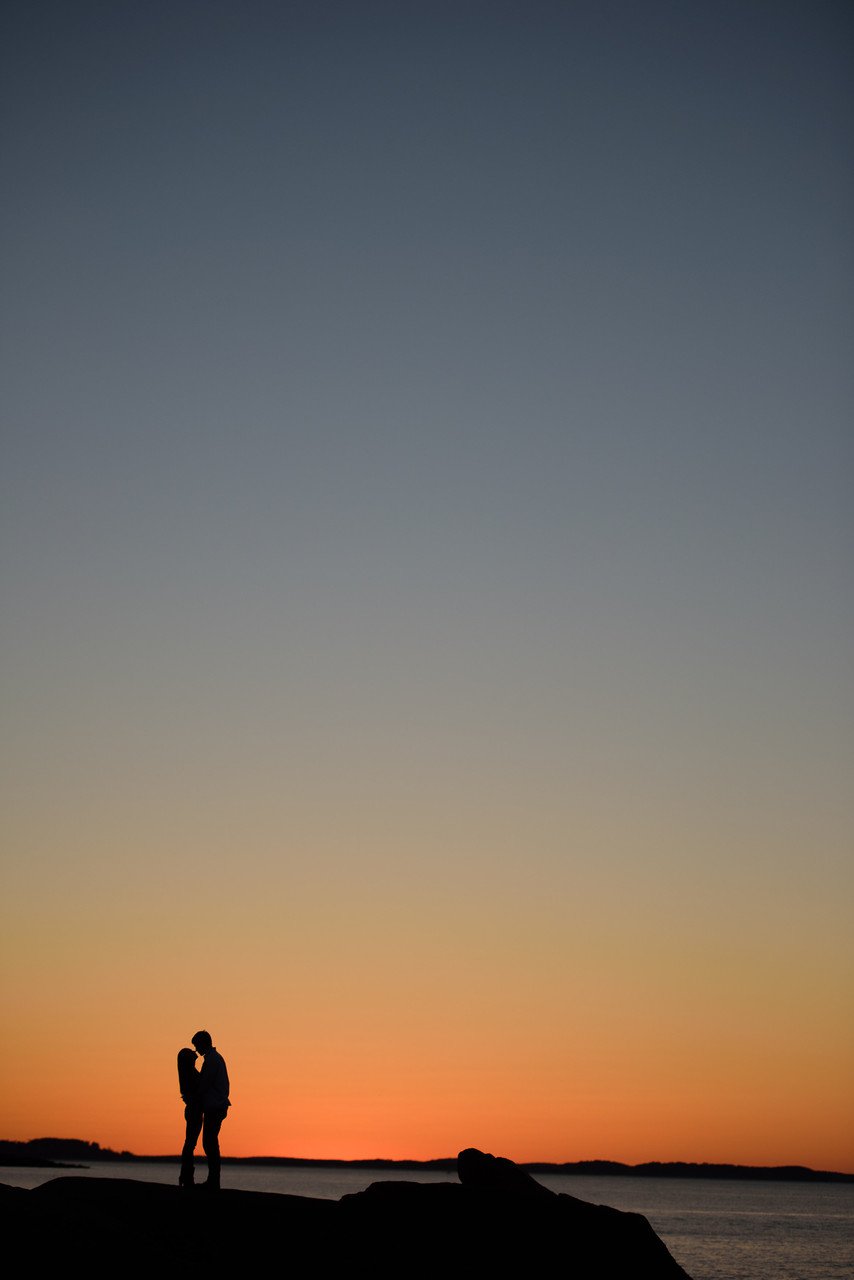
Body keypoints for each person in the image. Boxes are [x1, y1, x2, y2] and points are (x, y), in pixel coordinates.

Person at [191, 1029, 231, 1190]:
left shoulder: (212, 1060)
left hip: (215, 1106)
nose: (196, 1050)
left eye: (196, 1046)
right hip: (215, 1106)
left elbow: (204, 1085)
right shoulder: (213, 1058)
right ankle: (213, 1180)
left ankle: (214, 1181)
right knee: (210, 1143)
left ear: (202, 1044)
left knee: (210, 1143)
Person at [177, 1046, 202, 1187]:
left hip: (192, 1110)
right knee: (190, 1144)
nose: (195, 1060)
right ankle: (187, 1177)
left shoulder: (187, 1074)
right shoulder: (190, 1074)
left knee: (189, 1143)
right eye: (193, 1059)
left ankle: (185, 1176)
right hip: (194, 1111)